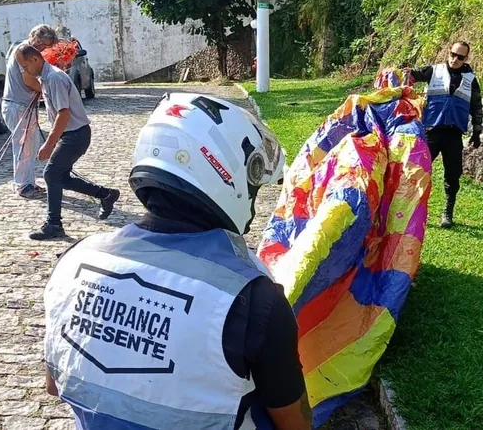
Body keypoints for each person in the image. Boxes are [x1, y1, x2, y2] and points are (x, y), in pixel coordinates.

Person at [41, 92, 312, 430]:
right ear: (224, 175)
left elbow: (55, 385)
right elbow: (295, 424)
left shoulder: (74, 260)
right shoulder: (253, 297)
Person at [14, 44, 120, 240]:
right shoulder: (46, 78)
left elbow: (64, 114)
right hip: (71, 134)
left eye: (25, 66)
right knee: (60, 177)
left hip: (75, 135)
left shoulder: (53, 78)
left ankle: (54, 224)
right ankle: (106, 195)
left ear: (35, 60)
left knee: (51, 174)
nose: (24, 70)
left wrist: (49, 143)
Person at [408, 41, 483, 228]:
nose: (454, 59)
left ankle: (447, 213)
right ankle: (409, 211)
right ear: (448, 53)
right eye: (452, 54)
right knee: (416, 171)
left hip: (454, 134)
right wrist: (398, 75)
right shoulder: (434, 71)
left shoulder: (471, 79)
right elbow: (412, 75)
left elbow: (476, 107)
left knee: (453, 175)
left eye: (460, 57)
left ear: (466, 58)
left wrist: (477, 132)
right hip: (431, 131)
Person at [3, 24, 59, 200]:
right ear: (34, 38)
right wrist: (46, 88)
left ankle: (29, 182)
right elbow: (28, 80)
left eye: (46, 47)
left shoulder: (31, 52)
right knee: (23, 147)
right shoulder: (23, 52)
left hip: (24, 105)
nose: (43, 49)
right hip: (17, 105)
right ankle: (23, 185)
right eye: (42, 45)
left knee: (30, 146)